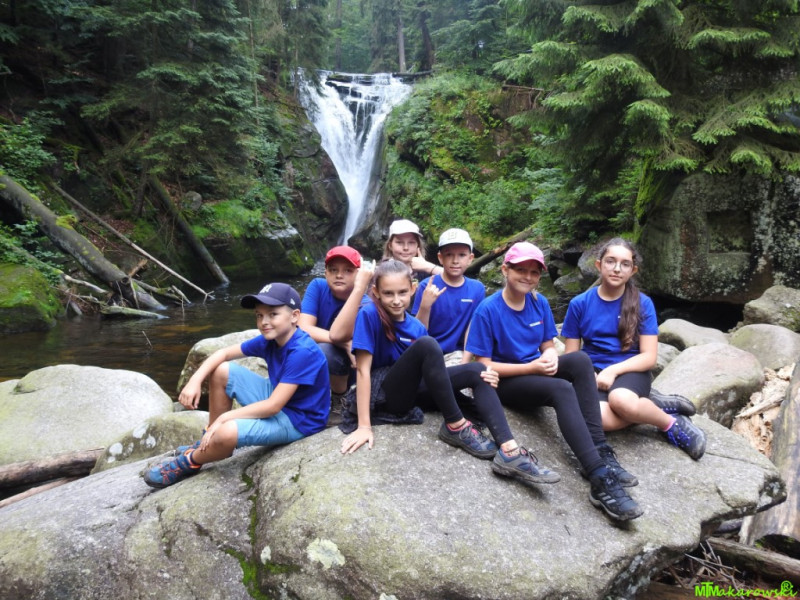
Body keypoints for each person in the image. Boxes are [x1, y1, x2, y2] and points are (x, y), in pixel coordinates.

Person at [340, 259, 560, 487]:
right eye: (388, 293)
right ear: (376, 292)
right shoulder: (370, 314)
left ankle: (509, 450)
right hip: (385, 394)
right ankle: (455, 425)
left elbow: (429, 374)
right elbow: (363, 370)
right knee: (428, 344)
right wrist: (364, 426)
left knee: (479, 370)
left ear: (413, 289)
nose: (396, 300)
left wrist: (481, 375)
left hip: (414, 390)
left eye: (402, 292)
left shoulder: (416, 326)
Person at [465, 241, 643, 521]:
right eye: (520, 270)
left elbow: (548, 344)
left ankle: (599, 448)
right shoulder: (488, 309)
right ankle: (599, 476)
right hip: (506, 382)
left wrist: (548, 355)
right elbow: (483, 365)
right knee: (561, 388)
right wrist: (531, 367)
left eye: (534, 272)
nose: (527, 277)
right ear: (505, 270)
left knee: (580, 359)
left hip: (534, 370)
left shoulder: (539, 303)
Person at [143, 282, 330, 489]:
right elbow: (223, 353)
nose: (264, 322)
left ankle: (190, 461)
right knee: (222, 371)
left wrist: (224, 418)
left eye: (273, 314)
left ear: (294, 316)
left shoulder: (302, 351)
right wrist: (194, 380)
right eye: (259, 315)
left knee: (227, 431)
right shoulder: (271, 339)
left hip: (298, 420)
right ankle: (210, 441)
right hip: (280, 399)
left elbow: (273, 406)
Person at [561, 237, 706, 460]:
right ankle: (650, 406)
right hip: (593, 373)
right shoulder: (579, 304)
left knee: (621, 400)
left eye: (625, 264)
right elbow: (571, 354)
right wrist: (587, 375)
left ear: (633, 270)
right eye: (610, 261)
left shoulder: (643, 303)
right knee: (597, 419)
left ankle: (671, 423)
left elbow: (649, 357)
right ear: (599, 265)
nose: (617, 269)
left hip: (631, 370)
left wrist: (613, 371)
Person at [299, 245, 363, 397]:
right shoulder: (318, 286)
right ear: (325, 273)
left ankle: (339, 397)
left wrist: (343, 344)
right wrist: (344, 343)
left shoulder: (364, 302)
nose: (339, 275)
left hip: (349, 365)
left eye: (348, 270)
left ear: (359, 274)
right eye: (333, 270)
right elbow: (302, 327)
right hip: (316, 355)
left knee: (325, 350)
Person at [411, 228, 485, 356]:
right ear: (440, 258)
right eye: (449, 255)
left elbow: (473, 329)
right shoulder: (427, 286)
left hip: (458, 353)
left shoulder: (477, 289)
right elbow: (417, 333)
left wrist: (465, 361)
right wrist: (425, 306)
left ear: (470, 258)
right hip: (428, 352)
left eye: (462, 255)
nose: (455, 261)